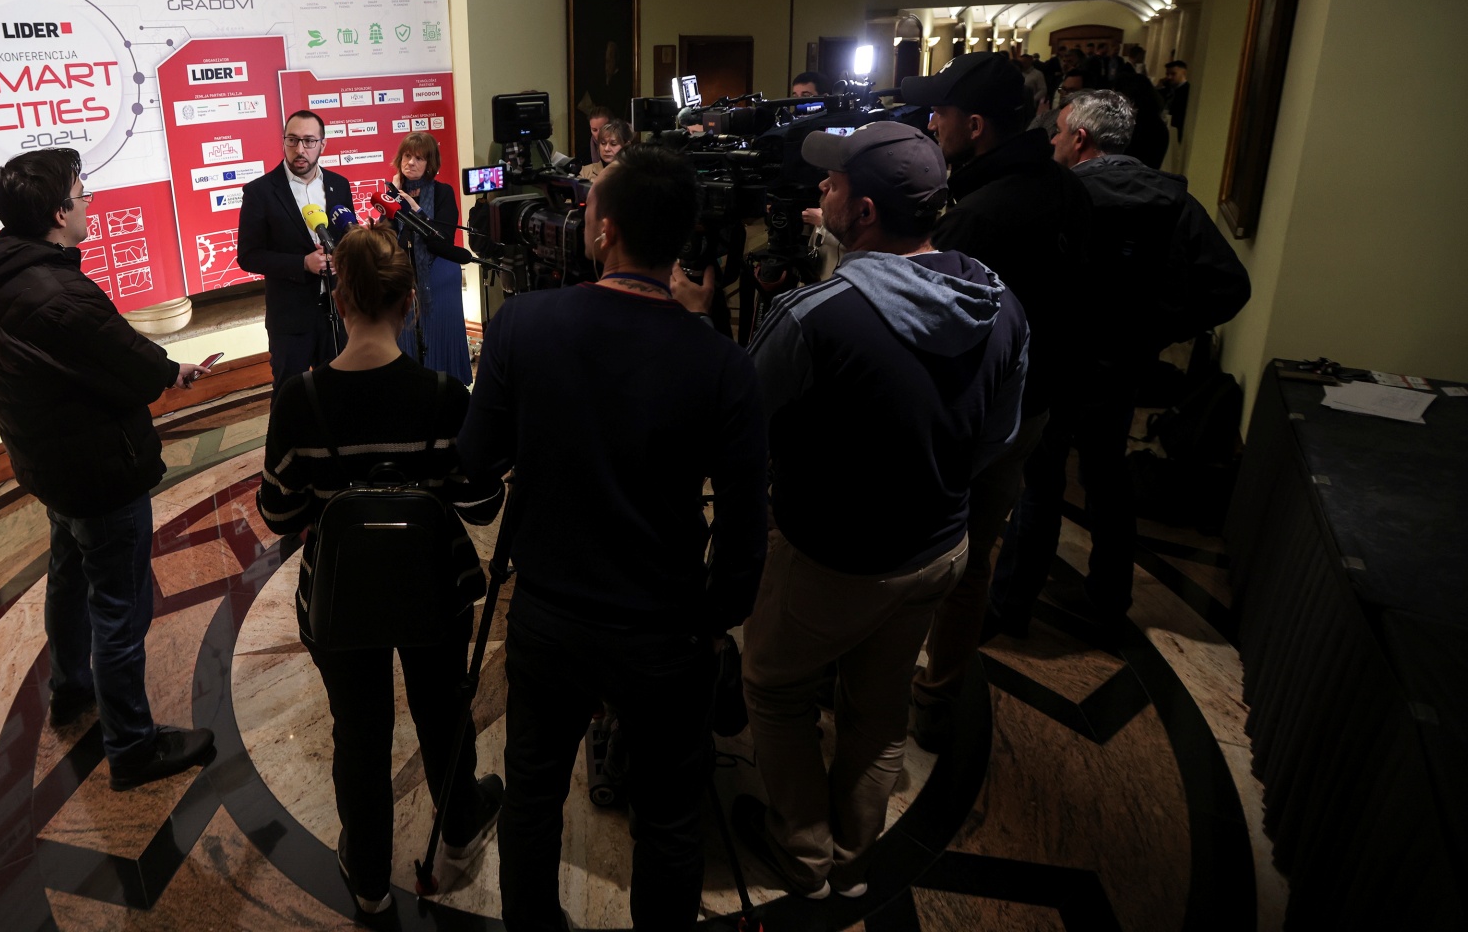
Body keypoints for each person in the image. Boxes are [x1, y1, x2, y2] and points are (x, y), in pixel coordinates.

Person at [459, 146, 768, 932]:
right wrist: (715, 619)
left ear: (604, 233)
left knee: (532, 796)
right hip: (666, 628)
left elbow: (476, 462)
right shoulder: (723, 364)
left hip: (550, 617)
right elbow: (744, 525)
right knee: (669, 818)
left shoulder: (523, 323)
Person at [730, 122, 1028, 900]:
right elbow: (997, 438)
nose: (819, 189)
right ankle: (856, 859)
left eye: (831, 183)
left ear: (862, 212)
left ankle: (803, 856)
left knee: (773, 687)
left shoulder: (814, 315)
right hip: (938, 550)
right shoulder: (997, 301)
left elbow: (740, 427)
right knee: (878, 707)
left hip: (834, 559)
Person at [0, 148, 217, 790]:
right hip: (99, 473)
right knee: (119, 611)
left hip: (54, 466)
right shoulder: (59, 291)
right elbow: (130, 363)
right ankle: (132, 747)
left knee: (68, 581)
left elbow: (92, 359)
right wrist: (168, 372)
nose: (90, 201)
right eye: (81, 191)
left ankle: (71, 688)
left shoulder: (8, 273)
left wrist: (159, 368)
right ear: (57, 213)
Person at [257, 225, 505, 914]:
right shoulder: (444, 393)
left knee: (359, 731)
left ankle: (368, 880)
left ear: (338, 301)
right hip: (435, 589)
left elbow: (279, 513)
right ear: (410, 303)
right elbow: (481, 504)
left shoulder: (300, 399)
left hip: (340, 596)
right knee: (443, 709)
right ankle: (460, 823)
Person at [991, 91, 1248, 627]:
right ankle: (1110, 603)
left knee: (1041, 482)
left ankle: (1013, 603)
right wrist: (1157, 330)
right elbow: (1230, 285)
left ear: (1080, 138)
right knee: (1107, 479)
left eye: (1059, 133)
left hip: (1056, 362)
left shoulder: (1059, 197)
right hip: (1121, 368)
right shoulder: (1173, 202)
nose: (1054, 141)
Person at [898, 53, 1089, 751]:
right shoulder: (1068, 189)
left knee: (915, 550)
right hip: (1031, 407)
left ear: (974, 126)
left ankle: (885, 683)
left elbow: (919, 330)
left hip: (964, 416)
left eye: (940, 113)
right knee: (976, 554)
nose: (932, 124)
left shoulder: (978, 217)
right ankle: (940, 696)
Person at [238, 110, 355, 388]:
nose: (300, 149)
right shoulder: (259, 192)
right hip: (290, 320)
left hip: (337, 312)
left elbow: (346, 237)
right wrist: (302, 263)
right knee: (290, 397)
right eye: (292, 140)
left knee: (339, 392)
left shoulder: (339, 185)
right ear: (284, 142)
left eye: (309, 141)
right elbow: (249, 256)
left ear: (322, 145)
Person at [386, 131, 472, 384]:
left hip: (440, 278)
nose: (410, 163)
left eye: (419, 158)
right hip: (404, 278)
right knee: (407, 340)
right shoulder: (391, 194)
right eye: (407, 156)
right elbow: (388, 240)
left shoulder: (443, 192)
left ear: (430, 163)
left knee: (439, 340)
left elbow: (442, 239)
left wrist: (416, 210)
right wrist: (395, 197)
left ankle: (447, 389)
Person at [577, 117, 633, 183]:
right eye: (603, 143)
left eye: (613, 144)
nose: (606, 149)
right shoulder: (585, 172)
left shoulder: (634, 173)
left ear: (626, 146)